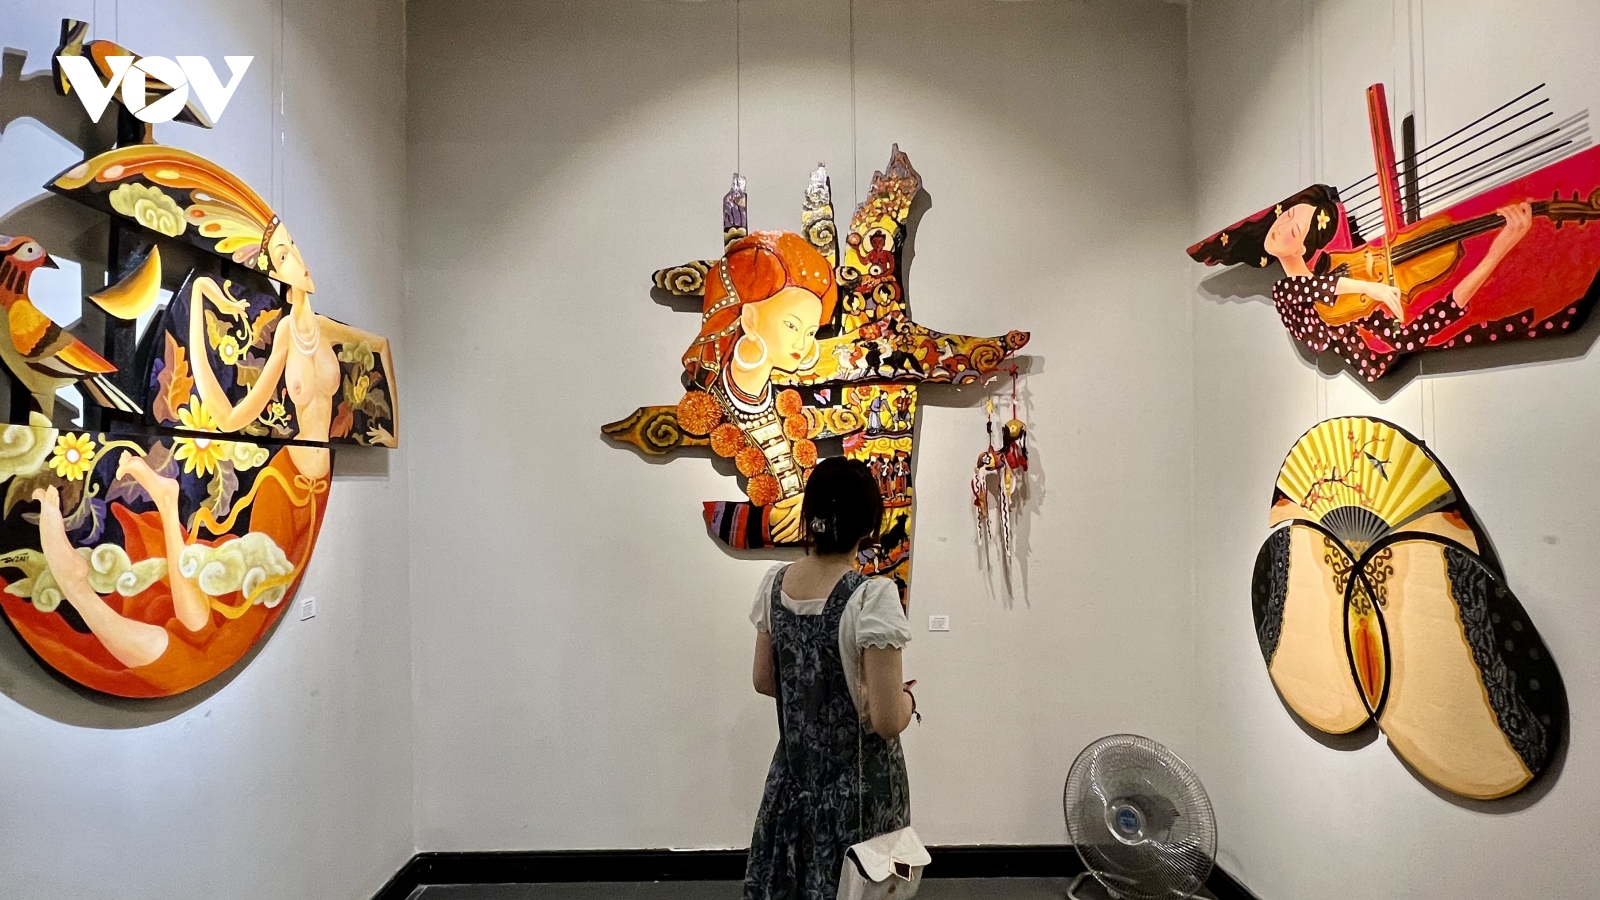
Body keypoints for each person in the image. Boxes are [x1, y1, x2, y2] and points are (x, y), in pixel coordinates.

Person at [745, 457, 915, 900]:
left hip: (794, 781)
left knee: (795, 883)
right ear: (869, 523)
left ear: (810, 515)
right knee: (859, 886)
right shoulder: (872, 597)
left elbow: (764, 680)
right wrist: (909, 701)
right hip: (857, 795)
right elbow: (886, 721)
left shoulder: (775, 584)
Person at [1189, 184, 1534, 381]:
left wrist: (1496, 253)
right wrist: (1371, 287)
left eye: (1294, 230)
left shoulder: (1349, 293)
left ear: (1304, 247)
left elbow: (1414, 334)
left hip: (1373, 363)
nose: (1281, 228)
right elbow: (1309, 288)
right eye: (1287, 217)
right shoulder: (1288, 292)